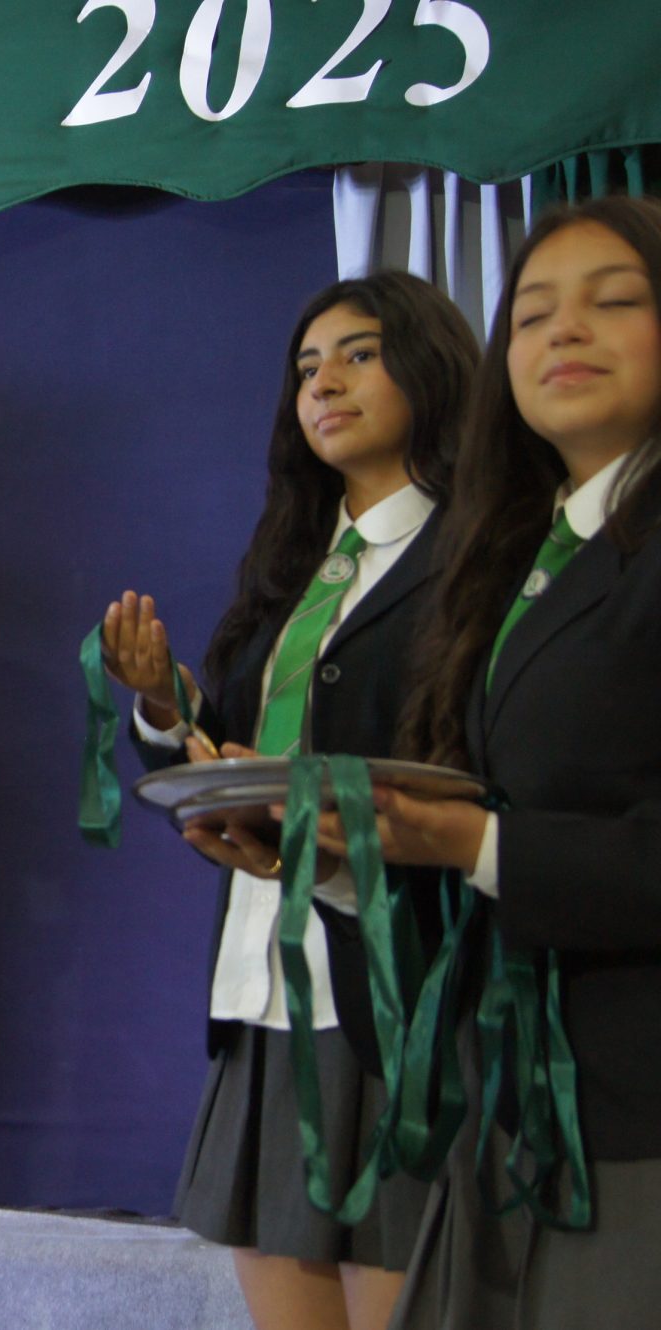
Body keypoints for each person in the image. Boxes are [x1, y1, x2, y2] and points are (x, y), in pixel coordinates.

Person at [100, 272, 478, 1330]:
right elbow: (239, 747)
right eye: (306, 368)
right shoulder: (296, 563)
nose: (324, 384)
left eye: (357, 355)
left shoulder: (475, 556)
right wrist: (164, 706)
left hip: (394, 986)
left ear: (430, 369)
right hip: (266, 979)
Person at [313, 196, 661, 1329]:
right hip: (509, 1107)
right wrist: (337, 861)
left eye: (614, 301)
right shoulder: (511, 559)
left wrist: (481, 843)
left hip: (633, 1124)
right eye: (532, 314)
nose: (565, 332)